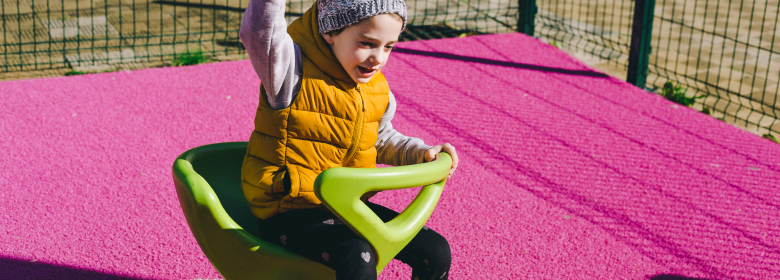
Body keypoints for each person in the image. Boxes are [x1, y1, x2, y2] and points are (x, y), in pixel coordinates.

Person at [238, 0, 459, 278]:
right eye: (367, 43)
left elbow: (380, 139)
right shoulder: (290, 73)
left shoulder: (376, 91)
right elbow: (258, 30)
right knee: (357, 254)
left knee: (435, 251)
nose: (378, 57)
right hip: (290, 211)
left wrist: (422, 153)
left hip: (350, 207)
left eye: (388, 46)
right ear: (330, 32)